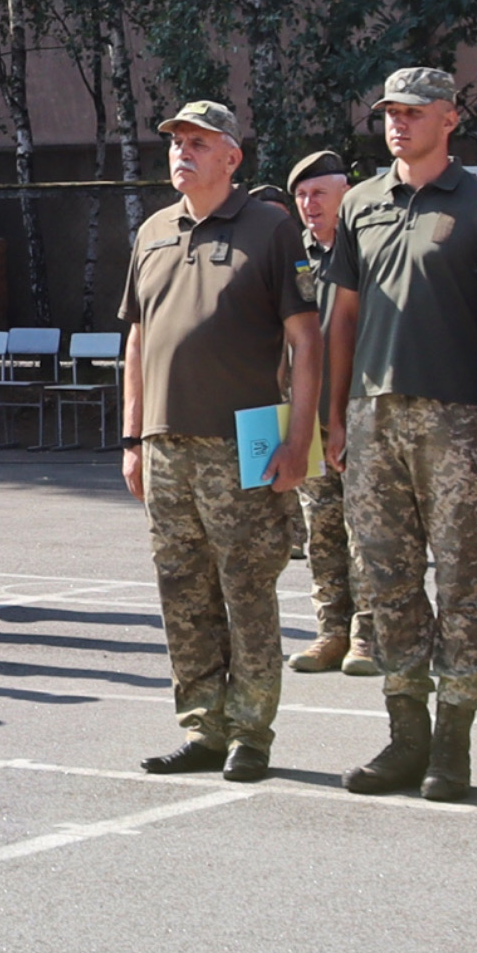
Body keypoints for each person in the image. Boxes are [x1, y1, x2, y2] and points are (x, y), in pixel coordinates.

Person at [316, 66, 477, 802]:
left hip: (458, 419)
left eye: (412, 112)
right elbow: (341, 318)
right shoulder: (363, 204)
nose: (397, 123)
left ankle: (454, 743)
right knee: (388, 582)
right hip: (374, 417)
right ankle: (406, 735)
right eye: (388, 113)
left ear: (449, 116)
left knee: (464, 580)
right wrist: (332, 416)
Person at [122, 104, 319, 781]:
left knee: (248, 589)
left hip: (247, 438)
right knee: (183, 588)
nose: (182, 151)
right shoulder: (151, 231)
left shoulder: (270, 228)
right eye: (176, 142)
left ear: (232, 158)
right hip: (165, 441)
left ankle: (251, 730)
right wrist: (130, 437)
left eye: (198, 142)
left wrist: (300, 440)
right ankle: (203, 723)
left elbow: (306, 338)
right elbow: (137, 339)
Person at [279, 151, 371, 674]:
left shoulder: (367, 253)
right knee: (322, 529)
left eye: (319, 194)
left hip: (362, 412)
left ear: (345, 195)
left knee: (370, 529)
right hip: (308, 416)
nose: (309, 205)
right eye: (301, 197)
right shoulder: (296, 258)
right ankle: (331, 630)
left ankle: (370, 635)